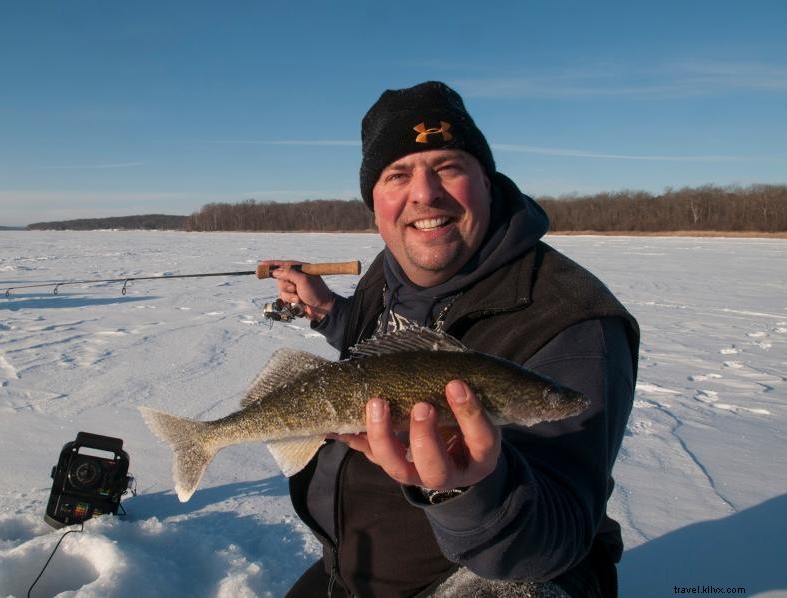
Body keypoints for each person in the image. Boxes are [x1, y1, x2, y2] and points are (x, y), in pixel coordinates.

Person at [266, 81, 639, 598]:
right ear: (374, 203)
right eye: (398, 175)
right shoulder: (391, 268)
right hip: (352, 566)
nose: (424, 193)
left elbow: (556, 537)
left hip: (474, 578)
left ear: (486, 181)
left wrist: (468, 490)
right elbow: (375, 351)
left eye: (447, 167)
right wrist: (329, 311)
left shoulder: (573, 321)